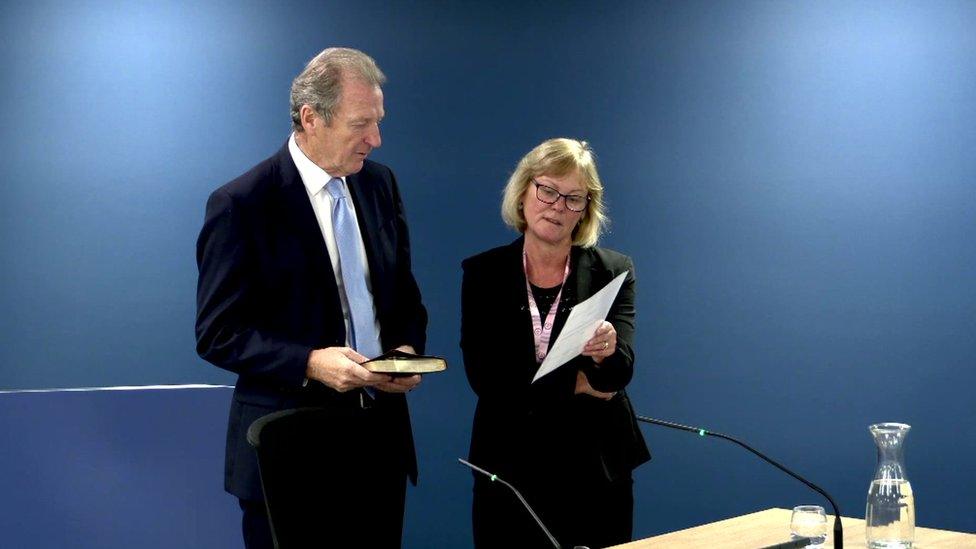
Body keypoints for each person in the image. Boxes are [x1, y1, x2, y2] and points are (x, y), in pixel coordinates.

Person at [195, 47, 427, 548]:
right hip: (287, 448)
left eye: (379, 122)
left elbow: (403, 295)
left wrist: (404, 350)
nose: (376, 139)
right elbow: (218, 333)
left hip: (378, 445)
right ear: (310, 118)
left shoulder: (380, 185)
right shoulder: (243, 204)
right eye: (361, 124)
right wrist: (310, 362)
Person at [461, 138, 651, 548]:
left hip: (597, 467)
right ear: (524, 191)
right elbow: (487, 379)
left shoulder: (613, 270)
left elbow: (620, 374)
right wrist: (578, 384)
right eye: (547, 190)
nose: (557, 206)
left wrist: (607, 351)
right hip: (507, 468)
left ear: (586, 209)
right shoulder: (483, 274)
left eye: (573, 198)